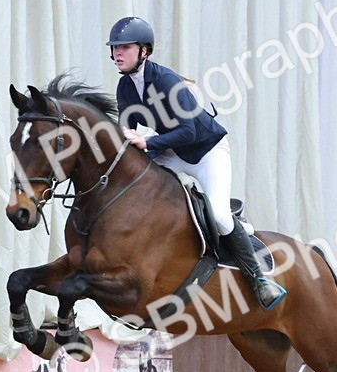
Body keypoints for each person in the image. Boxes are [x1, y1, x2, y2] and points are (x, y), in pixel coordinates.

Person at [107, 16, 286, 310]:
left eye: (125, 47)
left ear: (144, 51)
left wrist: (148, 144)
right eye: (115, 47)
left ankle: (259, 279)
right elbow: (128, 131)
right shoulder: (124, 87)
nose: (117, 53)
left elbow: (188, 132)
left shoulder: (166, 80)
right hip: (173, 150)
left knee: (219, 216)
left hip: (207, 151)